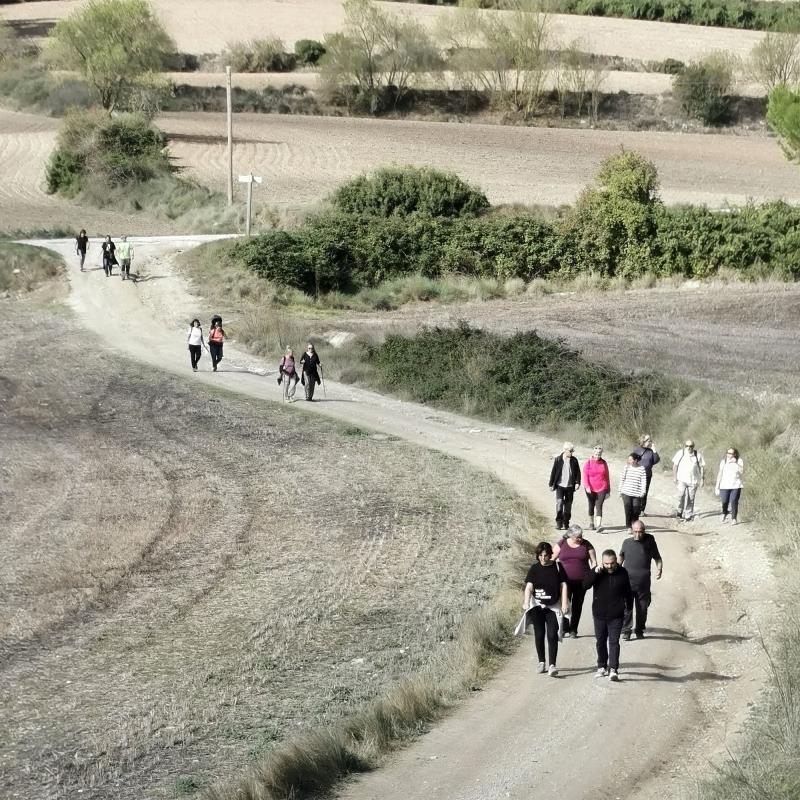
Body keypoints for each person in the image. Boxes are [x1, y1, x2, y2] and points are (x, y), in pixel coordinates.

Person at [583, 549, 633, 682]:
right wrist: (594, 573)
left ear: (616, 560)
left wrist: (629, 608)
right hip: (599, 614)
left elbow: (628, 592)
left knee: (614, 642)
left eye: (612, 563)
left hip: (616, 615)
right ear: (602, 562)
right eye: (606, 564)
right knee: (600, 641)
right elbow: (585, 585)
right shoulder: (597, 572)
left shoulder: (623, 572)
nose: (609, 566)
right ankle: (601, 666)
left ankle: (613, 669)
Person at [523, 541, 569, 677]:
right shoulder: (534, 568)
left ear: (550, 555)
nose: (543, 558)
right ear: (537, 556)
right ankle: (541, 662)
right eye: (540, 555)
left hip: (553, 606)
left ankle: (552, 665)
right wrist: (526, 602)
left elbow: (564, 585)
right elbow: (529, 587)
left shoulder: (557, 567)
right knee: (539, 634)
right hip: (538, 606)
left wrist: (565, 602)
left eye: (546, 555)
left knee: (552, 635)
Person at [619, 521, 662, 641]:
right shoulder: (626, 542)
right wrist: (616, 572)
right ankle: (626, 630)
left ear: (644, 531)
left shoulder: (649, 542)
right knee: (627, 607)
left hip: (643, 582)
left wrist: (659, 569)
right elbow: (620, 558)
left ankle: (639, 630)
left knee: (642, 608)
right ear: (632, 531)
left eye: (640, 532)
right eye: (635, 531)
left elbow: (658, 558)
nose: (638, 534)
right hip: (627, 582)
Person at [553, 524, 596, 638]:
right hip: (564, 582)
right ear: (570, 535)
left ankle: (573, 629)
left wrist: (592, 577)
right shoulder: (561, 543)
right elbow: (552, 559)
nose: (580, 539)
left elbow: (594, 563)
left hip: (582, 581)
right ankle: (564, 627)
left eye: (581, 536)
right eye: (578, 537)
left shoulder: (587, 545)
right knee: (565, 603)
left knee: (577, 605)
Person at [548, 443, 581, 531]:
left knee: (568, 505)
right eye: (570, 451)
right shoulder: (558, 459)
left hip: (570, 486)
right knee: (559, 503)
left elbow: (578, 472)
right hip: (560, 485)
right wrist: (551, 484)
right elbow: (553, 472)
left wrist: (578, 482)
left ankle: (566, 523)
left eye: (572, 451)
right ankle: (559, 523)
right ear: (565, 450)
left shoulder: (574, 460)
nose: (572, 453)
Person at [672, 439, 705, 522]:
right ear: (684, 446)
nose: (689, 448)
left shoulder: (698, 455)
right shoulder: (681, 453)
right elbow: (675, 465)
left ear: (693, 447)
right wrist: (674, 477)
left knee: (691, 498)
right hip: (681, 479)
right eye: (687, 446)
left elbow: (702, 467)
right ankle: (679, 512)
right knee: (680, 495)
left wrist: (702, 479)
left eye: (691, 446)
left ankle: (688, 515)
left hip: (693, 481)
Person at [583, 445, 610, 532]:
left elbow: (607, 476)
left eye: (599, 454)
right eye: (596, 454)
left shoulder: (604, 463)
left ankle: (599, 526)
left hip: (602, 487)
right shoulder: (588, 462)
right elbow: (585, 475)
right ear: (593, 453)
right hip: (590, 488)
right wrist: (587, 486)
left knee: (599, 505)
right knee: (591, 505)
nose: (598, 456)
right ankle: (591, 524)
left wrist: (608, 490)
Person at [632, 434, 660, 515]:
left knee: (644, 492)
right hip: (637, 474)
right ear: (643, 441)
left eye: (650, 440)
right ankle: (635, 508)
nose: (650, 442)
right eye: (648, 440)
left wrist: (654, 450)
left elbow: (656, 460)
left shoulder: (651, 451)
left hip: (647, 474)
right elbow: (631, 460)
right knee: (636, 491)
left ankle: (641, 510)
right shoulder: (636, 450)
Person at [715, 447, 744, 525]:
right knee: (724, 501)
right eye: (728, 453)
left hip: (736, 485)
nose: (729, 455)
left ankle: (734, 518)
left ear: (734, 454)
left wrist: (735, 463)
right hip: (724, 485)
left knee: (734, 501)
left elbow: (741, 471)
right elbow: (720, 473)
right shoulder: (723, 461)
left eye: (731, 453)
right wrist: (717, 486)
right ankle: (724, 512)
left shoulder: (739, 460)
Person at [619, 452, 647, 531]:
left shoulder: (641, 468)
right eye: (628, 459)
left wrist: (643, 491)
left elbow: (643, 480)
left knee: (636, 510)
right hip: (626, 492)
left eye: (630, 459)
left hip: (636, 493)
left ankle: (634, 525)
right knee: (628, 510)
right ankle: (629, 526)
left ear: (635, 460)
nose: (629, 461)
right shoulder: (626, 467)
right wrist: (619, 490)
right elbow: (622, 479)